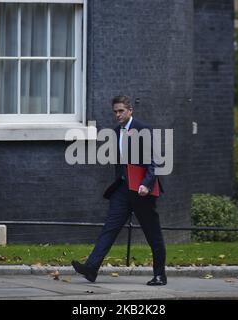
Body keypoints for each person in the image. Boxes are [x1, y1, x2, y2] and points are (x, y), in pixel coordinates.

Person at [71, 95, 167, 286]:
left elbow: (153, 162)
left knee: (152, 234)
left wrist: (146, 184)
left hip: (142, 191)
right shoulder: (115, 132)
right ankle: (91, 269)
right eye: (115, 111)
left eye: (121, 111)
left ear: (130, 110)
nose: (118, 114)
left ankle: (159, 275)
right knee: (110, 229)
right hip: (123, 190)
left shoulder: (143, 129)